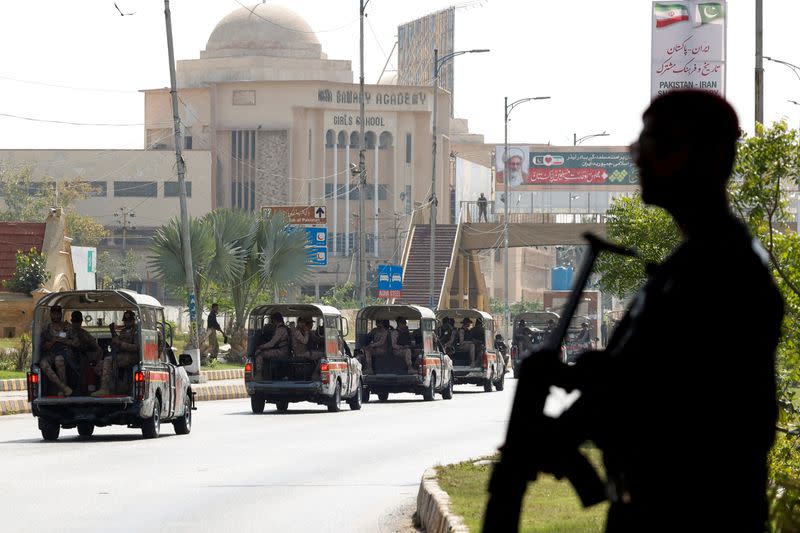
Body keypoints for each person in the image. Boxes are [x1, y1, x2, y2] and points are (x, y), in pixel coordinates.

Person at [484, 91, 784, 532]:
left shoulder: (721, 269)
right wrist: (586, 374)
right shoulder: (688, 266)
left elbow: (669, 397)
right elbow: (643, 374)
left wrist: (556, 433)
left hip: (694, 511)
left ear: (709, 155)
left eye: (655, 144)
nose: (638, 157)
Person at [92, 310, 140, 396]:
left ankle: (104, 389)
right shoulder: (124, 331)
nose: (127, 323)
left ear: (133, 321)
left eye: (129, 321)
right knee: (98, 367)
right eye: (125, 321)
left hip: (132, 357)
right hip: (120, 355)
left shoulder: (137, 331)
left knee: (108, 360)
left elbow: (136, 347)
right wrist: (113, 332)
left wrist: (121, 344)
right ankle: (113, 387)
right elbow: (117, 341)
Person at [40, 305, 78, 396]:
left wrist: (64, 340)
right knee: (43, 363)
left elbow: (77, 343)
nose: (56, 316)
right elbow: (44, 347)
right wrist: (53, 340)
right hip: (52, 353)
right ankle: (63, 387)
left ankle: (63, 390)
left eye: (58, 314)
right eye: (54, 314)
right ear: (51, 315)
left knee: (59, 359)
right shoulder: (47, 329)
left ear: (61, 314)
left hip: (66, 354)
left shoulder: (67, 327)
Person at [70, 311, 103, 392]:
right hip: (69, 356)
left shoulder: (83, 333)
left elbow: (95, 346)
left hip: (82, 355)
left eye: (78, 322)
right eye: (75, 322)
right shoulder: (67, 331)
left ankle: (90, 386)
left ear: (81, 322)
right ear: (72, 322)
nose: (77, 324)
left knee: (90, 363)